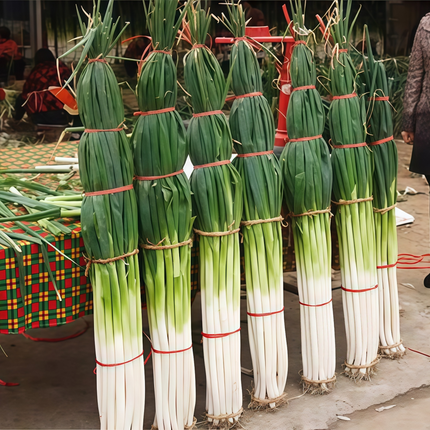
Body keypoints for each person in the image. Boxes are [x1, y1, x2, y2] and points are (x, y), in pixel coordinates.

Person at [402, 12, 430, 288]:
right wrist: (408, 120)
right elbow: (415, 76)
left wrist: (409, 120)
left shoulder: (425, 25)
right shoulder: (426, 25)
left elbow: (415, 77)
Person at [14, 48, 72, 126]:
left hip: (40, 114)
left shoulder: (37, 72)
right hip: (63, 112)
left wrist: (19, 114)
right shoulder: (61, 68)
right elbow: (72, 87)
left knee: (21, 98)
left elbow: (26, 94)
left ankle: (16, 121)